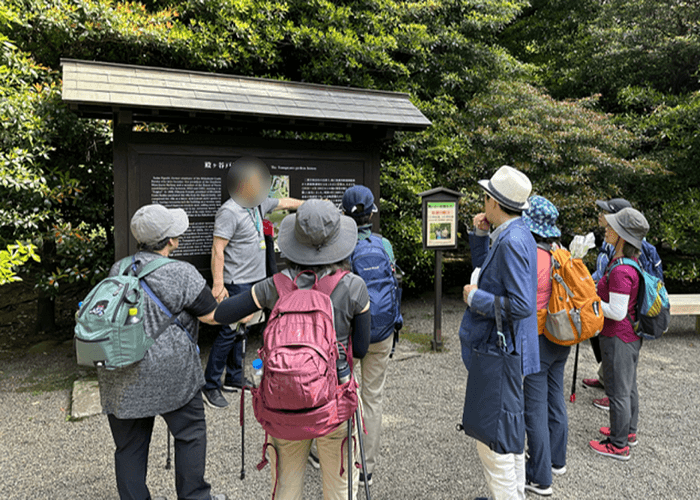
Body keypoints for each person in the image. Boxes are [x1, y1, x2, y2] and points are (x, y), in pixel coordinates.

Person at [214, 199, 371, 500]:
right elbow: (361, 349)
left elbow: (223, 314)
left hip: (283, 400)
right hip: (334, 401)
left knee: (286, 486)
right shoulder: (353, 286)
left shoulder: (275, 285)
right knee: (339, 486)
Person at [98, 204, 226, 500]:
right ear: (171, 240)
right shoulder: (183, 273)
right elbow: (211, 315)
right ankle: (194, 497)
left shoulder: (119, 268)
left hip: (122, 369)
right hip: (173, 374)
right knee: (190, 435)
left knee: (128, 447)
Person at [460, 166, 539, 500]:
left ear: (494, 202)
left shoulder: (511, 241)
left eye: (486, 197)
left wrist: (473, 298)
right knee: (506, 431)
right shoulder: (515, 232)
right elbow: (491, 273)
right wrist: (480, 237)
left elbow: (521, 304)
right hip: (508, 351)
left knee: (494, 441)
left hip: (500, 354)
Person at [204, 158, 302, 409]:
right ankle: (211, 384)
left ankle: (234, 378)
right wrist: (218, 284)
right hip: (236, 282)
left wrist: (313, 206)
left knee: (242, 330)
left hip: (255, 281)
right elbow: (218, 248)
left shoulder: (258, 204)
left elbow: (286, 202)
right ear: (243, 184)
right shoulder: (229, 211)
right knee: (228, 331)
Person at [342, 185, 403, 487]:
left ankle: (333, 456)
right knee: (373, 397)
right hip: (382, 332)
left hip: (349, 335)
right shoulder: (384, 245)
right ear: (371, 214)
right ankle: (366, 465)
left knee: (340, 393)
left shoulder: (341, 247)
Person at [589, 207, 649, 461]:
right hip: (629, 336)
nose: (606, 228)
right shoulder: (628, 263)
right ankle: (628, 432)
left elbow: (616, 311)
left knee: (618, 392)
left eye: (611, 226)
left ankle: (618, 444)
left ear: (622, 236)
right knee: (628, 386)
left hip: (618, 336)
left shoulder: (622, 270)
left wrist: (590, 303)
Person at [521, 196, 570, 497]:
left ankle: (540, 478)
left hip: (539, 337)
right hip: (561, 335)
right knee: (556, 397)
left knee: (534, 407)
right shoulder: (561, 253)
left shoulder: (532, 257)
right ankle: (556, 460)